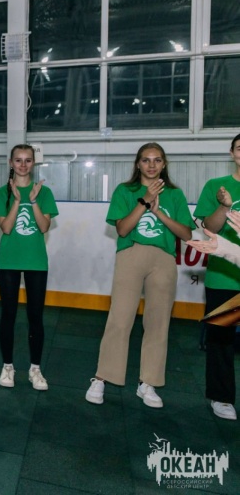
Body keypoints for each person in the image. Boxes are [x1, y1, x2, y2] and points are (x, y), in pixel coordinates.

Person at [85, 143, 194, 408]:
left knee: (158, 323)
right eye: (146, 160)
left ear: (164, 164)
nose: (152, 165)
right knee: (120, 318)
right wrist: (145, 200)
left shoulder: (175, 195)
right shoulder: (125, 191)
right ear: (138, 164)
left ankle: (148, 382)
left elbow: (186, 234)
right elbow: (122, 229)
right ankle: (102, 377)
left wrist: (158, 213)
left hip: (164, 259)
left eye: (157, 160)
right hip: (131, 254)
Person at [0, 144, 58, 390]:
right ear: (11, 163)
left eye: (28, 160)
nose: (23, 165)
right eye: (18, 160)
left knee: (35, 316)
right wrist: (17, 201)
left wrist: (33, 201)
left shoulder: (44, 192)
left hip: (36, 262)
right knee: (8, 315)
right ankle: (8, 366)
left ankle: (35, 369)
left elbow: (44, 227)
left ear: (33, 163)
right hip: (8, 261)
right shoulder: (1, 193)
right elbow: (6, 228)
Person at [189, 134, 240, 420]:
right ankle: (221, 398)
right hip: (224, 277)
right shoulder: (216, 187)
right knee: (221, 340)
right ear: (232, 153)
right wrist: (224, 206)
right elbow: (210, 227)